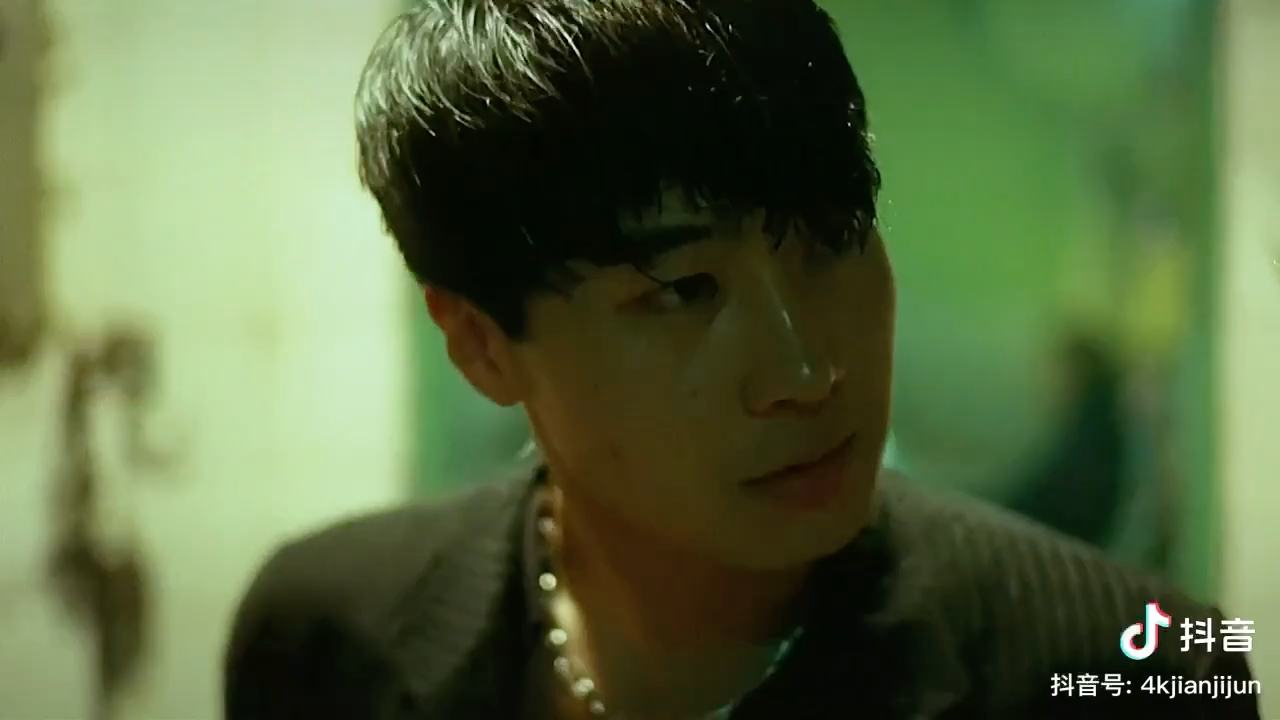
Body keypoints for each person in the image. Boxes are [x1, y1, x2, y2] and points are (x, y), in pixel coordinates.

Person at [223, 2, 1259, 718]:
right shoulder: (324, 634)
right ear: (481, 344)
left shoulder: (1137, 667)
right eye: (682, 291)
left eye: (832, 239)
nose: (805, 373)